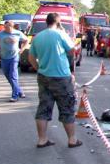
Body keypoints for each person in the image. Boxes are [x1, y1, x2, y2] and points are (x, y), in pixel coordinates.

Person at [28, 12, 82, 149]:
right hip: (61, 77)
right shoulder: (61, 34)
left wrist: (39, 68)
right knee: (67, 108)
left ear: (46, 22)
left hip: (44, 76)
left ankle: (42, 139)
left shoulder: (37, 37)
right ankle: (72, 139)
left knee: (43, 108)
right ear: (58, 22)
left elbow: (31, 58)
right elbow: (72, 51)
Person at [0, 20, 27, 102]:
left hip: (14, 57)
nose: (5, 28)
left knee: (13, 76)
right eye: (4, 26)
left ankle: (15, 96)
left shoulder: (17, 33)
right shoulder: (1, 34)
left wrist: (22, 49)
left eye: (7, 26)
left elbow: (26, 40)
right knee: (8, 76)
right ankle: (19, 90)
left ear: (11, 26)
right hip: (4, 57)